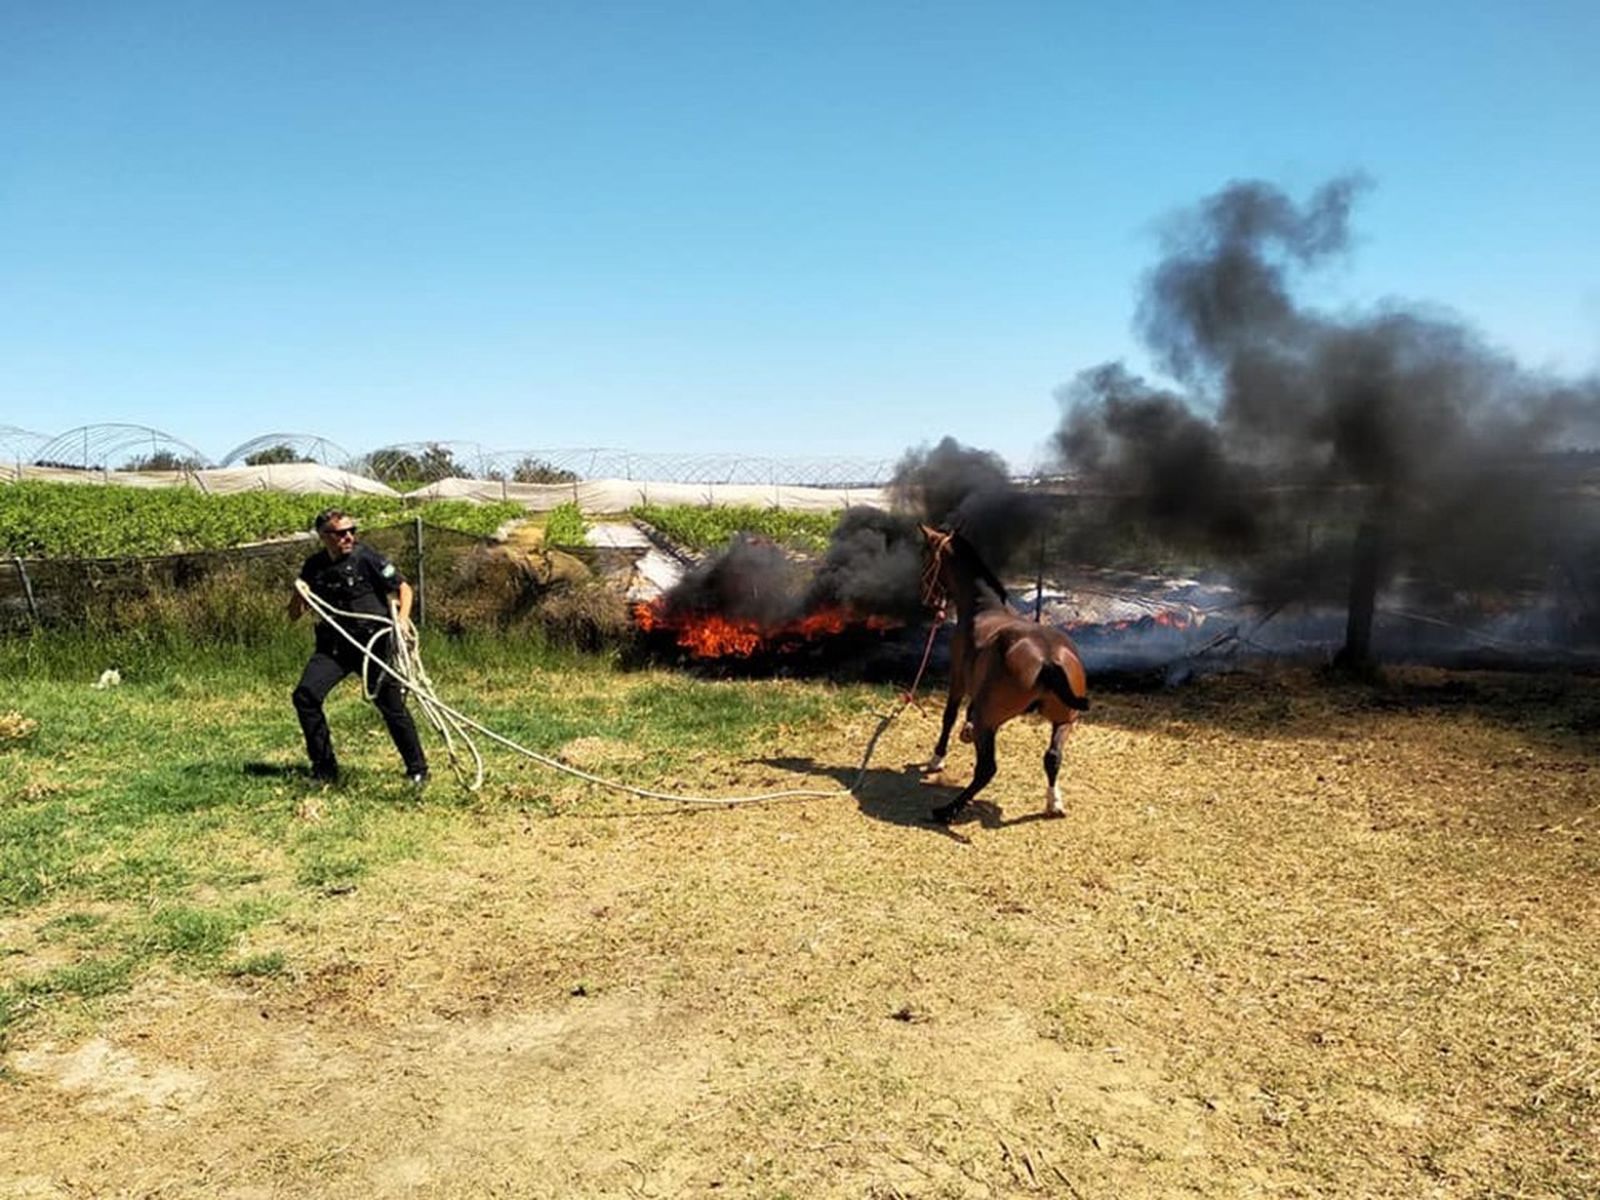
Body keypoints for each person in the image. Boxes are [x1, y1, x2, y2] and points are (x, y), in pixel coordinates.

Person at [289, 508, 428, 786]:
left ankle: (418, 769)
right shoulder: (314, 566)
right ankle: (324, 769)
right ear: (323, 536)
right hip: (334, 649)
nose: (349, 537)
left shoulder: (367, 558)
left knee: (391, 705)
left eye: (352, 531)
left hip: (372, 646)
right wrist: (299, 592)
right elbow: (294, 615)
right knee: (305, 696)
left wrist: (401, 621)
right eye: (341, 533)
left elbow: (404, 589)